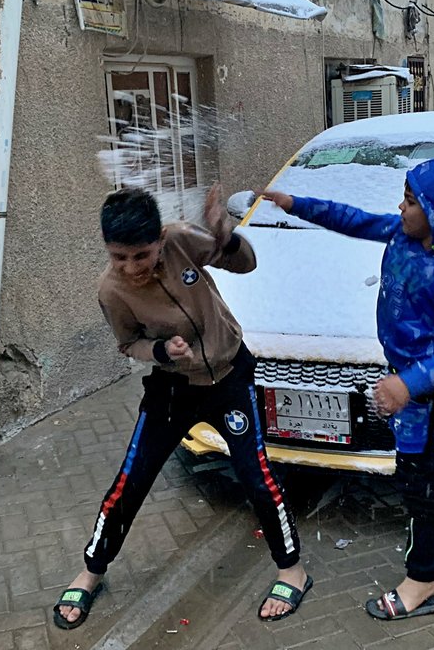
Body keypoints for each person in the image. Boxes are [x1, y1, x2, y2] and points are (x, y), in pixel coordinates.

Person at [52, 185, 310, 629]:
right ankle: (91, 571)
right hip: (172, 389)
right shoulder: (111, 290)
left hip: (230, 378)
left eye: (141, 254)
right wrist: (160, 351)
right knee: (130, 481)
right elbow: (128, 343)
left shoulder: (181, 240)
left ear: (159, 240)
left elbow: (245, 263)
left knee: (256, 475)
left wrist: (224, 237)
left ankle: (292, 571)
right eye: (119, 257)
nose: (131, 267)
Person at [262, 155, 434, 621]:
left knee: (417, 478)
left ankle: (423, 579)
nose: (401, 208)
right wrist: (296, 204)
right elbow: (353, 219)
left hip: (428, 385)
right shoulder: (402, 234)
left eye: (410, 201)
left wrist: (408, 384)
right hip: (405, 374)